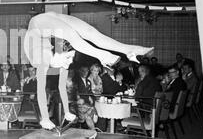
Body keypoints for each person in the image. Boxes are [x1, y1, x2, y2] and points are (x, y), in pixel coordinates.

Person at [24, 11, 153, 129]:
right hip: (41, 27)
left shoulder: (49, 58)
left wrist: (62, 113)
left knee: (89, 33)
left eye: (70, 58)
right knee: (80, 35)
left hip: (39, 24)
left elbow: (54, 88)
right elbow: (48, 88)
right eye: (69, 58)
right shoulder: (52, 60)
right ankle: (118, 53)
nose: (70, 62)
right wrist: (48, 118)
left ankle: (125, 50)